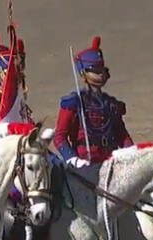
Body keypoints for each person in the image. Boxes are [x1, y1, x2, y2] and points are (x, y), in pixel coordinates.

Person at [54, 36, 133, 168]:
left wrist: (131, 151)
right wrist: (73, 159)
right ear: (83, 74)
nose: (100, 74)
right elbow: (59, 137)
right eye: (95, 71)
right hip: (85, 164)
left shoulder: (110, 104)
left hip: (111, 162)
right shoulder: (74, 103)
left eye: (101, 69)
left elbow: (121, 133)